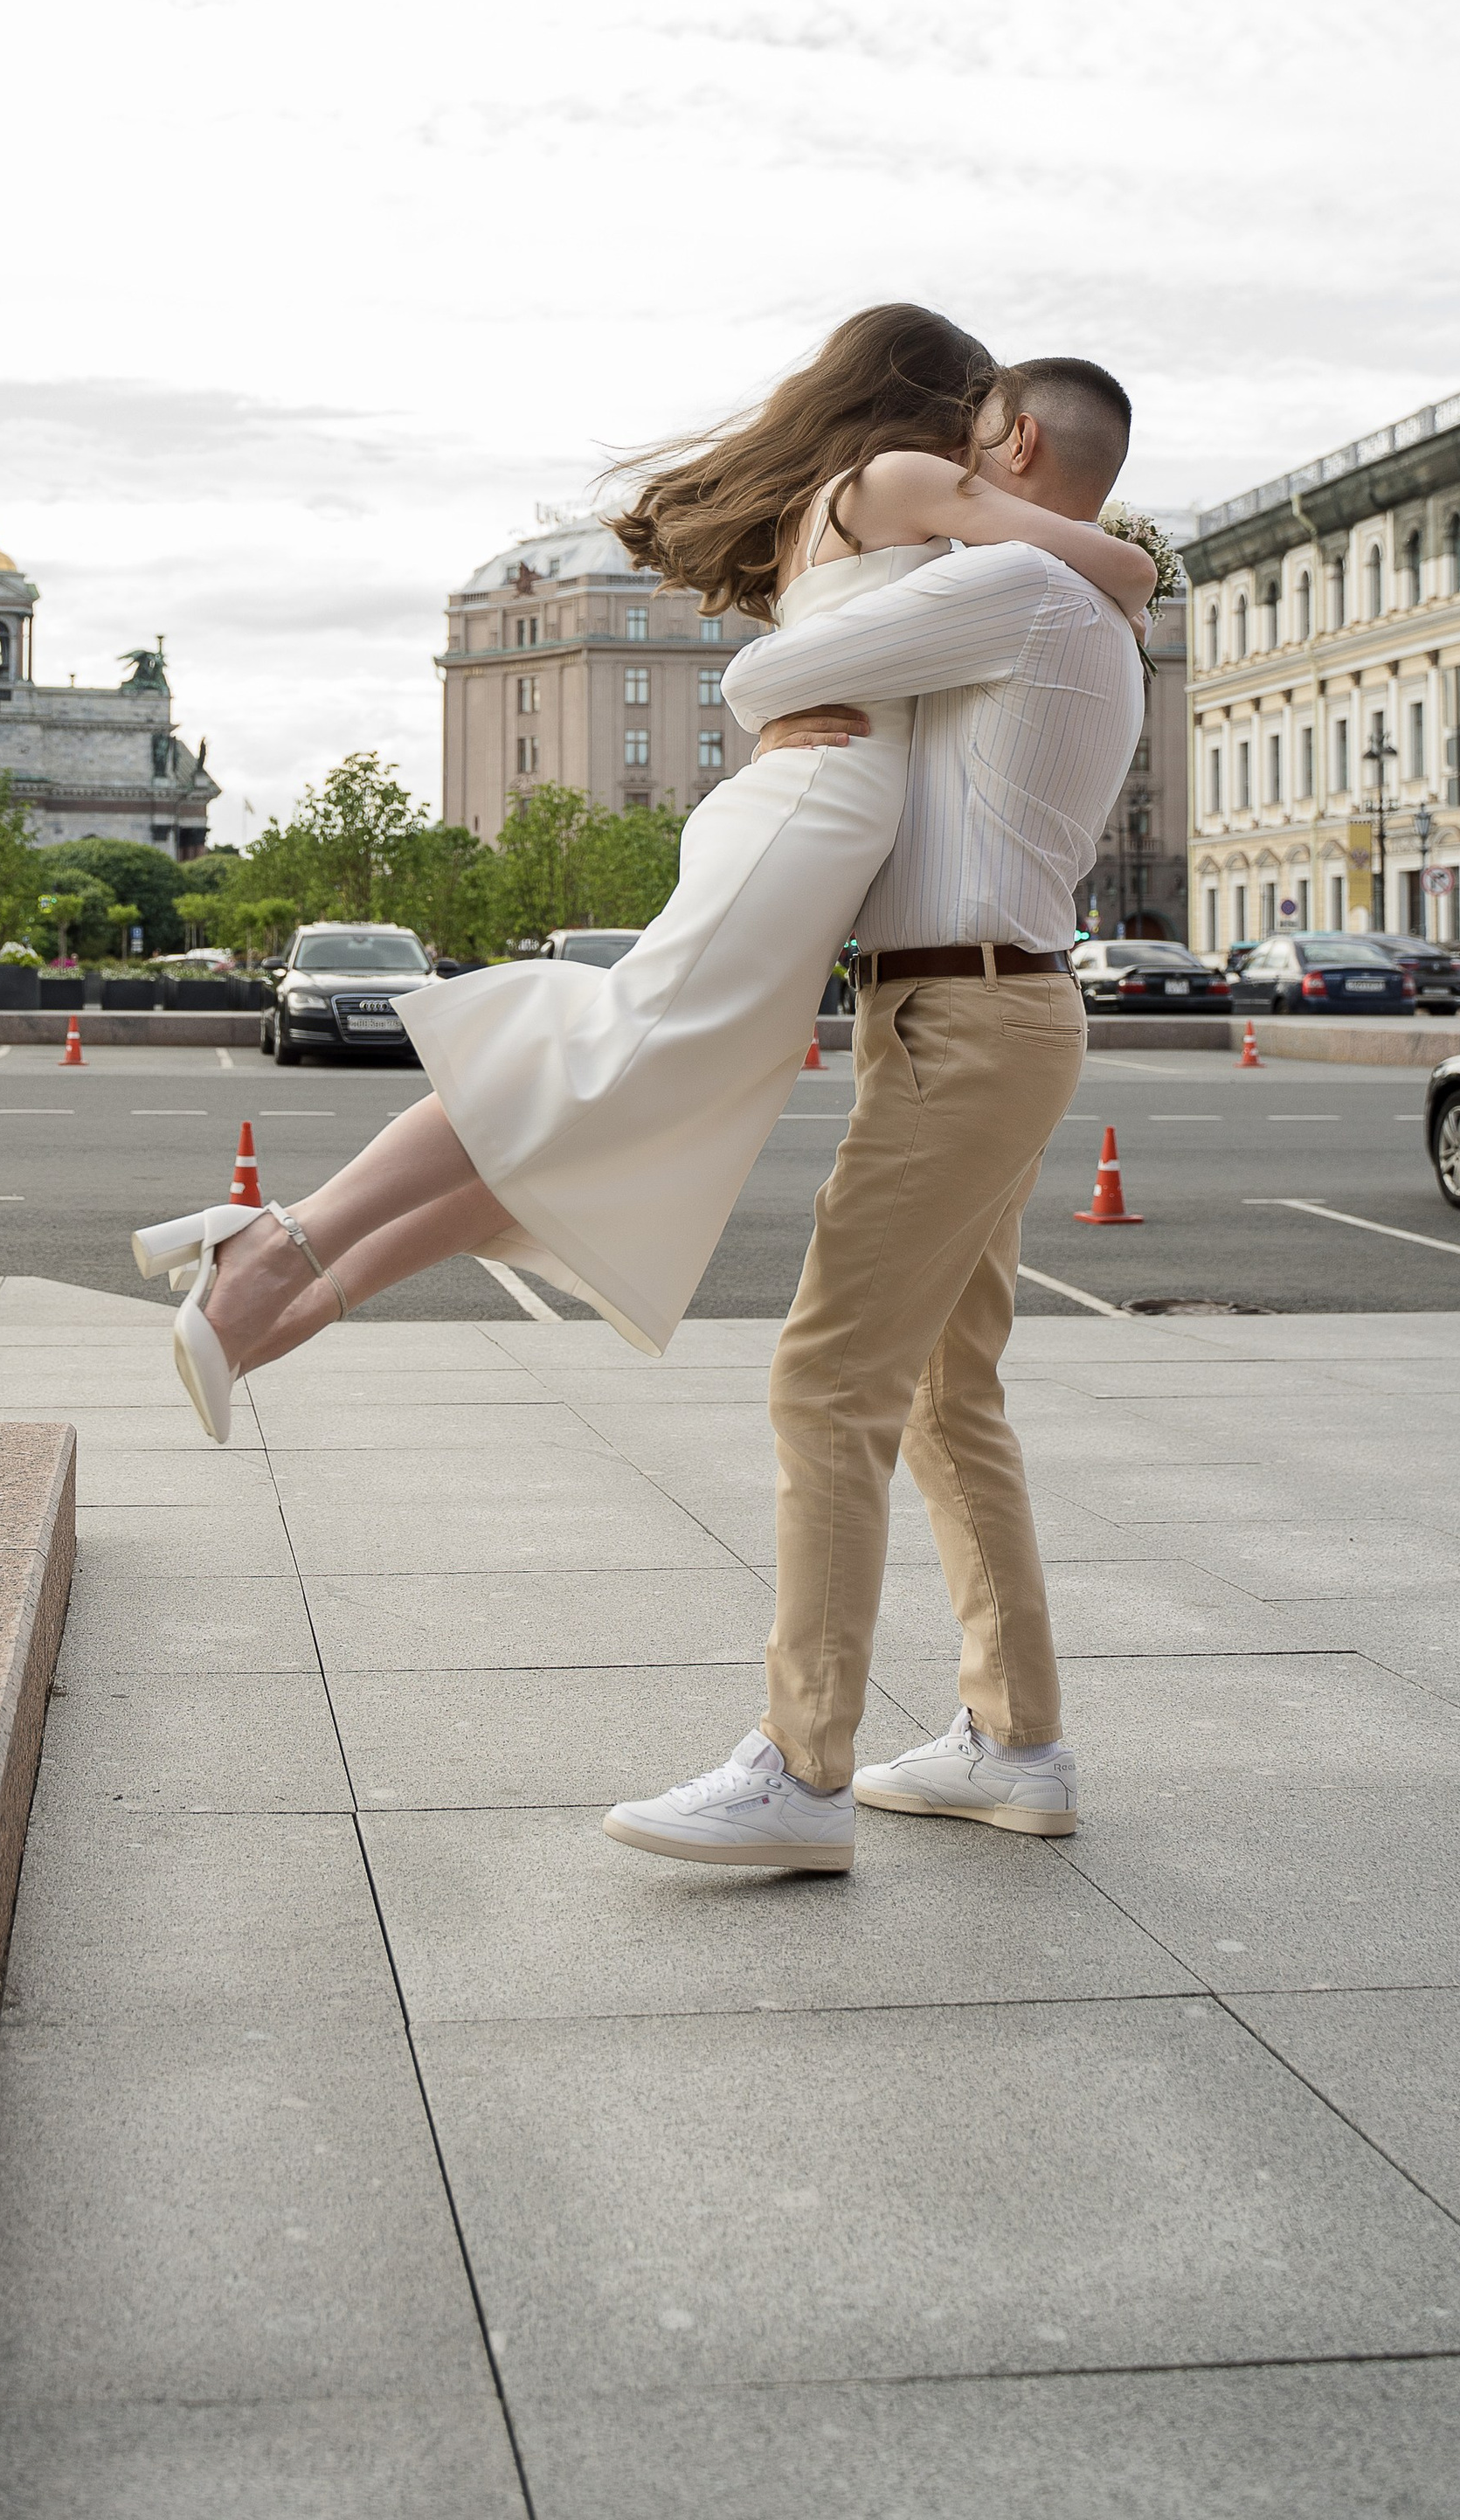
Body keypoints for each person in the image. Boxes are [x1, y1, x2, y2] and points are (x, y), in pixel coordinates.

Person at [132, 314, 1152, 1463]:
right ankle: (278, 1245)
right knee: (598, 1066)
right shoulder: (900, 474)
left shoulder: (861, 493)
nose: (980, 449)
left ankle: (282, 1304)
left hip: (818, 812)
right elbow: (1103, 560)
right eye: (976, 416)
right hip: (813, 813)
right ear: (937, 399)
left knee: (612, 1127)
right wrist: (1143, 568)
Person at [601, 355, 1146, 1872]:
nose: (942, 480)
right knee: (943, 1392)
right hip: (991, 1007)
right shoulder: (1068, 598)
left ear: (1021, 443)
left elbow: (766, 674)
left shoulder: (1025, 592)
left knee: (827, 1379)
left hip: (964, 1015)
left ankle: (801, 1765)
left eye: (968, 455)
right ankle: (1014, 1742)